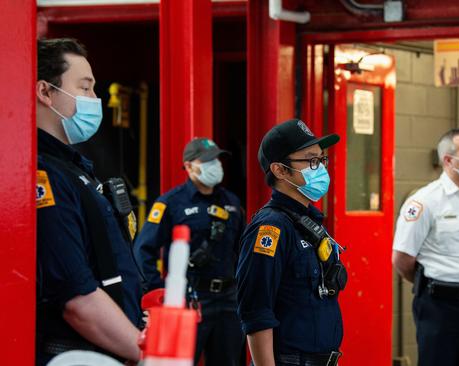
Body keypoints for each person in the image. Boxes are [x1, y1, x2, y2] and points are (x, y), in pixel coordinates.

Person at [35, 38, 142, 365]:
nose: (95, 99)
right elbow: (76, 298)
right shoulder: (43, 176)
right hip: (75, 354)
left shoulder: (72, 170)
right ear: (45, 92)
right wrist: (146, 353)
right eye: (85, 88)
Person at [236, 119, 346, 366]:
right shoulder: (271, 228)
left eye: (321, 159)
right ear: (280, 170)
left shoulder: (309, 222)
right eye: (310, 161)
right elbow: (256, 310)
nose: (320, 168)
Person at [135, 137, 246, 366]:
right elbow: (142, 251)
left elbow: (242, 251)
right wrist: (161, 293)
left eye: (216, 159)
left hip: (229, 301)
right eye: (206, 161)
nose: (214, 164)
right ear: (188, 166)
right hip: (189, 300)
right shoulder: (171, 203)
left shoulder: (232, 203)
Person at [392, 128, 459, 366]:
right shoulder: (424, 201)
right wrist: (433, 283)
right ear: (448, 160)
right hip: (440, 304)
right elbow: (402, 258)